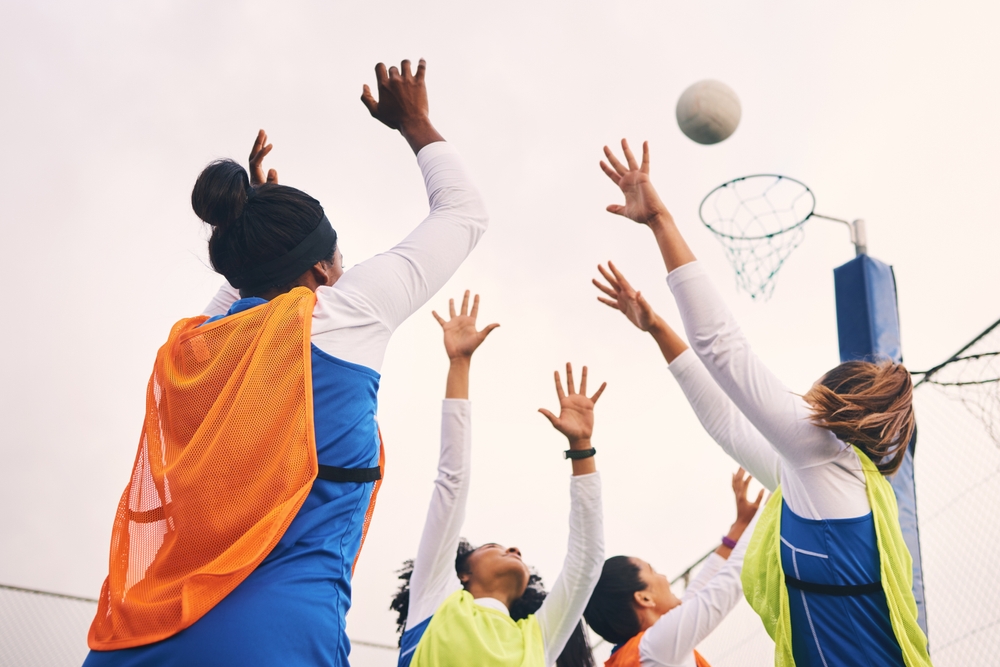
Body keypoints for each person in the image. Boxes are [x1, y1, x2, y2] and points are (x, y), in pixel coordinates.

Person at [84, 59, 488, 667]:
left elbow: (241, 294)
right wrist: (416, 124)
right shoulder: (340, 313)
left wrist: (254, 214)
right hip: (272, 640)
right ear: (321, 272)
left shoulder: (189, 352)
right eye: (340, 260)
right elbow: (464, 213)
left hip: (140, 636)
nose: (344, 272)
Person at [593, 139, 932, 667]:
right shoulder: (820, 476)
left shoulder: (817, 451)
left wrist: (660, 220)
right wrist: (658, 329)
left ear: (827, 400)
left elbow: (722, 348)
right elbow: (724, 420)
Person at [390, 292, 604, 667]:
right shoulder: (434, 600)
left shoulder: (538, 637)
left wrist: (582, 446)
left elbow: (586, 560)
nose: (515, 549)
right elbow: (451, 482)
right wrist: (459, 364)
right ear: (463, 573)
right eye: (493, 545)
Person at [583, 469, 761, 667]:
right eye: (652, 571)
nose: (664, 577)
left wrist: (741, 525)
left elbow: (702, 588)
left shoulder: (639, 653)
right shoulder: (654, 648)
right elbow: (726, 585)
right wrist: (781, 491)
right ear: (644, 598)